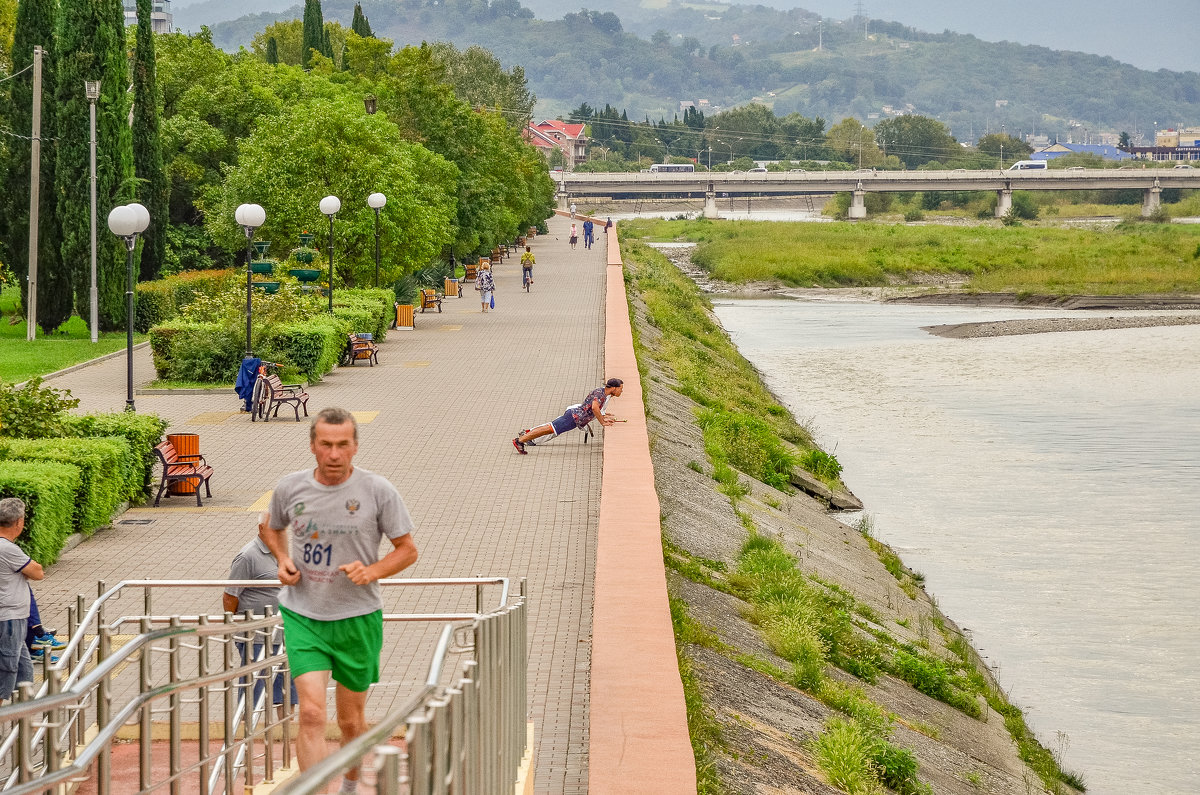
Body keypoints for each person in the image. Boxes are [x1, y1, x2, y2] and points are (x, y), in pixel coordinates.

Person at [260, 408, 419, 793]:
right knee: (312, 714)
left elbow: (408, 550)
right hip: (304, 614)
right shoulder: (290, 487)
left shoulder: (378, 490)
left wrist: (373, 571)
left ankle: (349, 784)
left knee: (351, 722)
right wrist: (282, 559)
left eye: (342, 445)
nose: (334, 454)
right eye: (326, 445)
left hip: (358, 616)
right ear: (313, 446)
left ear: (355, 447)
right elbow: (269, 526)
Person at [225, 513, 298, 715]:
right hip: (256, 636)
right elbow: (230, 596)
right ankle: (247, 728)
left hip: (283, 633)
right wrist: (236, 627)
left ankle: (286, 732)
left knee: (286, 685)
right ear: (261, 529)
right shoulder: (248, 556)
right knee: (254, 686)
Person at [0, 498, 42, 701]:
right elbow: (37, 572)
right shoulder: (7, 549)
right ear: (18, 522)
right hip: (8, 619)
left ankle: (23, 726)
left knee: (24, 675)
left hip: (14, 618)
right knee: (5, 673)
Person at [513, 378, 624, 453]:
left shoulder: (601, 392)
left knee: (550, 428)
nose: (621, 391)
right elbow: (595, 408)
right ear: (614, 388)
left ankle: (525, 436)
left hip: (574, 416)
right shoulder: (601, 395)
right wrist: (603, 422)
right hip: (573, 418)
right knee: (549, 429)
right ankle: (521, 440)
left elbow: (596, 408)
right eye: (621, 389)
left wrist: (604, 416)